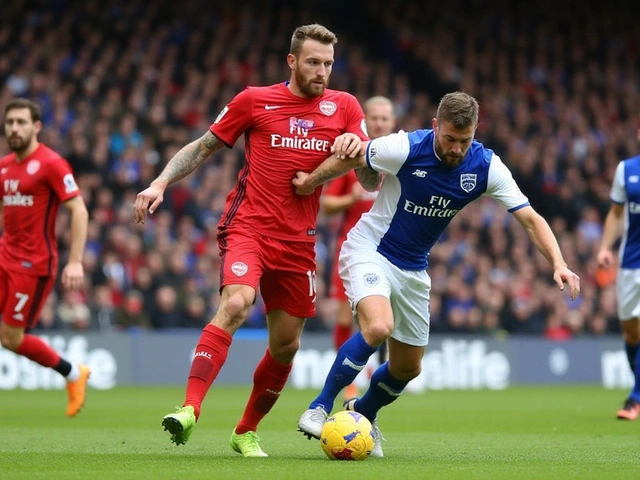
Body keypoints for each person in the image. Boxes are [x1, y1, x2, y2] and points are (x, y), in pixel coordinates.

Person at [293, 91, 581, 457]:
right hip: (371, 250)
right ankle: (319, 406)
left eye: (465, 140)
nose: (457, 148)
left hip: (414, 268)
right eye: (450, 139)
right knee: (378, 327)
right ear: (435, 127)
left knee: (407, 368)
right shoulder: (405, 148)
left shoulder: (486, 166)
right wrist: (310, 183)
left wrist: (558, 262)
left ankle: (362, 413)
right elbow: (350, 156)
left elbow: (529, 218)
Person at [133, 23, 368, 457]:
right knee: (237, 302)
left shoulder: (346, 107)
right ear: (292, 61)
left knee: (286, 344)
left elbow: (369, 177)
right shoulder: (254, 100)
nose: (322, 71)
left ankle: (245, 431)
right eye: (314, 62)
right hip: (249, 226)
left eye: (329, 64)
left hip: (298, 241)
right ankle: (189, 409)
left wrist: (354, 149)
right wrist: (160, 182)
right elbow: (202, 147)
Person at [0, 98, 90, 416]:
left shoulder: (51, 163)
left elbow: (78, 209)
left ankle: (73, 374)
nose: (14, 128)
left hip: (32, 264)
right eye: (10, 122)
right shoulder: (4, 166)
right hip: (4, 256)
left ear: (36, 127)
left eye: (21, 122)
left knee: (11, 338)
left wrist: (75, 260)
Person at [322, 96, 395, 400]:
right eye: (374, 118)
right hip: (352, 250)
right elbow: (326, 205)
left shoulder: (400, 159)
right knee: (344, 318)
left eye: (384, 118)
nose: (379, 123)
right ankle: (348, 381)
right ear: (366, 120)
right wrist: (351, 198)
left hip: (390, 250)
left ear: (392, 123)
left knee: (385, 320)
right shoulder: (353, 155)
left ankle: (381, 376)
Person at [597, 125, 640, 420]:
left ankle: (635, 398)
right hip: (630, 261)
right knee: (631, 332)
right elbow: (615, 213)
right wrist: (604, 247)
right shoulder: (626, 170)